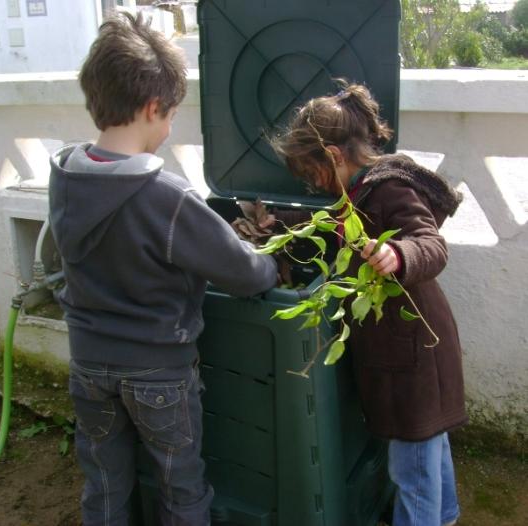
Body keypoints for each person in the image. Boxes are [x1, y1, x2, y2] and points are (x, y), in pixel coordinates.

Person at [48, 12, 277, 526]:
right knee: (181, 486)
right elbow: (240, 271)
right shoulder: (164, 195)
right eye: (171, 115)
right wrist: (271, 265)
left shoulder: (64, 177)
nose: (170, 127)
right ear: (154, 108)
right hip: (158, 371)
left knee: (104, 481)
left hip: (88, 363)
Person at [265, 81, 467, 526]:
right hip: (407, 351)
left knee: (412, 466)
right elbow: (332, 228)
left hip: (416, 353)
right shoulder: (353, 197)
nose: (310, 184)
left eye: (312, 173)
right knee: (430, 448)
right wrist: (279, 225)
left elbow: (430, 243)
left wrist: (399, 254)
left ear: (335, 157)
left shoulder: (388, 189)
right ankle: (446, 516)